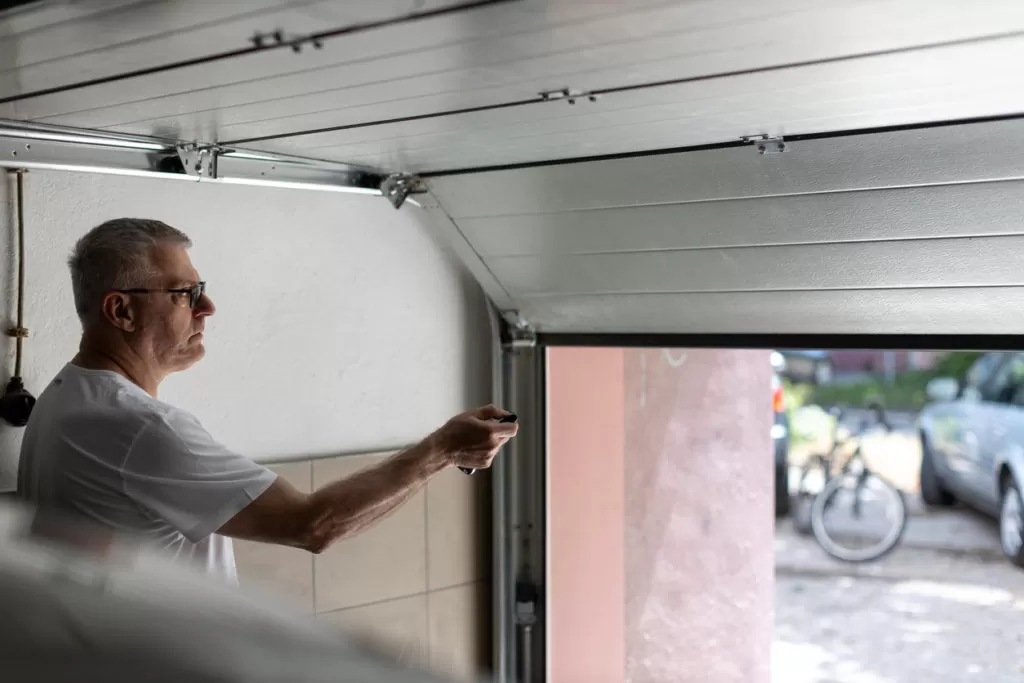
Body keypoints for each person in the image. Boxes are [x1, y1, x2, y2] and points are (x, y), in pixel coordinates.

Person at [16, 218, 518, 584]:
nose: (207, 307)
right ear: (121, 310)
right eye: (184, 293)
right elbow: (314, 524)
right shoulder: (142, 429)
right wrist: (443, 449)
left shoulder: (65, 399)